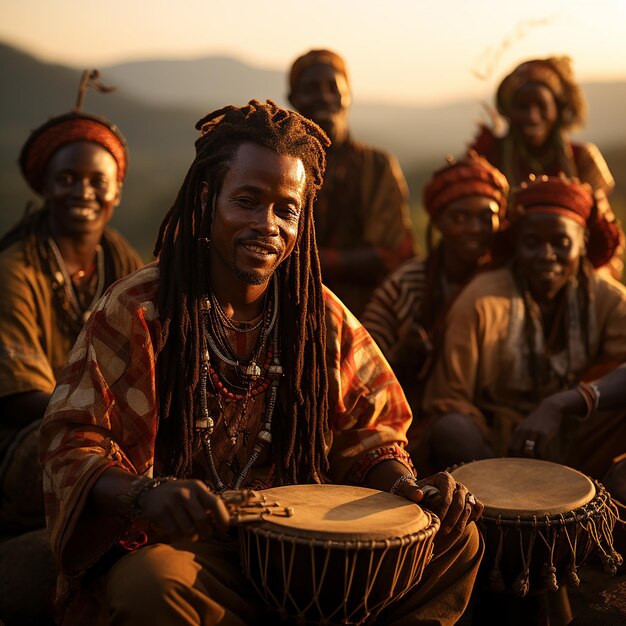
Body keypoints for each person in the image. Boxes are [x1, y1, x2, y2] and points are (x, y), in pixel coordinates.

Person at [39, 100, 484, 626]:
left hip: (307, 548)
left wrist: (408, 487)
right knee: (149, 589)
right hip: (190, 550)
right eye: (247, 201)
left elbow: (371, 436)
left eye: (285, 210)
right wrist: (144, 493)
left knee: (459, 538)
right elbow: (73, 443)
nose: (266, 225)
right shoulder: (140, 307)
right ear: (207, 200)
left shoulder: (320, 316)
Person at [0, 70, 143, 625]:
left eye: (95, 181)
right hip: (30, 440)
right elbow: (18, 398)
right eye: (67, 179)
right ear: (45, 184)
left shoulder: (122, 261)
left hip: (111, 434)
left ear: (116, 190)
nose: (82, 192)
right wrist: (110, 420)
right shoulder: (16, 269)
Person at [421, 174, 626, 500]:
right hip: (500, 442)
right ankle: (499, 509)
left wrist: (561, 403)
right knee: (451, 429)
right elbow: (449, 397)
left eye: (560, 242)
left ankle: (604, 504)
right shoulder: (481, 299)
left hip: (581, 435)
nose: (546, 255)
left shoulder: (610, 300)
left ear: (584, 241)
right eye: (532, 243)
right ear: (516, 243)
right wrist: (505, 454)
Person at [361, 151, 508, 455]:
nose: (475, 228)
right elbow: (363, 374)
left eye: (486, 216)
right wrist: (402, 357)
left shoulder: (510, 284)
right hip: (425, 425)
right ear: (438, 221)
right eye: (460, 217)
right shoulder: (406, 285)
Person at [287, 49, 416, 318]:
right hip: (289, 314)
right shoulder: (281, 167)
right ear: (293, 100)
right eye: (311, 89)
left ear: (349, 95)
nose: (324, 97)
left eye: (333, 88)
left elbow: (391, 254)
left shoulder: (378, 167)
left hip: (367, 317)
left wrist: (304, 259)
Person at [469, 56, 624, 278]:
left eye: (541, 106)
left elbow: (602, 224)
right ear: (510, 113)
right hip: (504, 266)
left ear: (558, 111)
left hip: (572, 266)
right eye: (523, 107)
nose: (533, 116)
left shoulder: (583, 158)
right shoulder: (490, 155)